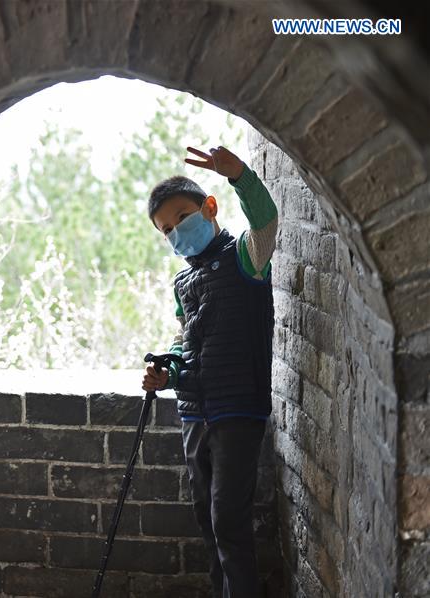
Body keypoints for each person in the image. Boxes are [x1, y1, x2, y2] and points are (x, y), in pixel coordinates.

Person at [142, 146, 278, 598]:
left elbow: (266, 222)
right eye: (166, 229)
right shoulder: (182, 283)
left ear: (210, 208)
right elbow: (184, 339)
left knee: (228, 521)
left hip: (238, 409)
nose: (176, 231)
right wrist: (168, 372)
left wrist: (240, 175)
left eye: (182, 217)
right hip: (194, 412)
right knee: (206, 517)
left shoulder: (245, 257)